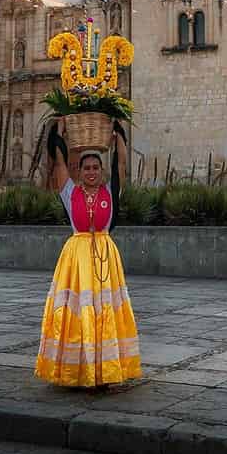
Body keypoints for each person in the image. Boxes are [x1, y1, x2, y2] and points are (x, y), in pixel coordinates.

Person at [34, 119, 142, 388]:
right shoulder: (69, 192)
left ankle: (105, 369)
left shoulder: (110, 192)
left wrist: (119, 136)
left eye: (96, 167)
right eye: (87, 168)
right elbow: (58, 164)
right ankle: (76, 370)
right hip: (77, 258)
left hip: (105, 255)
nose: (92, 172)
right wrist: (57, 135)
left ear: (101, 170)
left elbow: (122, 165)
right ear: (79, 171)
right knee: (77, 312)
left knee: (104, 311)